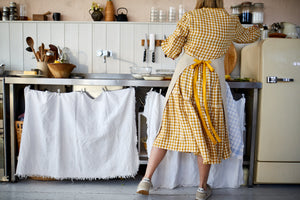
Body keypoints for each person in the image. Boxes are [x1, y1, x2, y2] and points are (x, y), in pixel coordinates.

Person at [137, 0, 260, 199]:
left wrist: (174, 43)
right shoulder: (230, 20)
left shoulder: (190, 17)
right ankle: (202, 189)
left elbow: (170, 51)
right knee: (207, 134)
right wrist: (257, 28)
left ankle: (146, 179)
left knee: (167, 130)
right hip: (212, 84)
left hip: (185, 81)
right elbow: (248, 36)